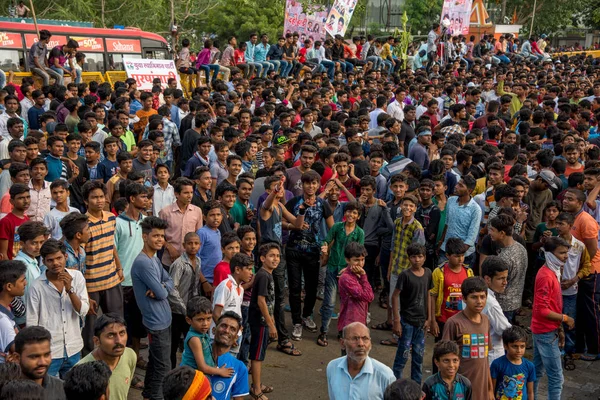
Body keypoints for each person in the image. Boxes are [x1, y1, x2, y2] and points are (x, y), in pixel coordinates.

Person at [26, 239, 89, 378]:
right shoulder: (37, 287)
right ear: (44, 261)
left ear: (65, 257)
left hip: (74, 347)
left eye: (59, 258)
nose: (55, 263)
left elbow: (83, 310)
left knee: (74, 389)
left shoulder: (77, 277)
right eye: (50, 260)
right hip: (50, 352)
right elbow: (32, 324)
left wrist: (70, 290)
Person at [131, 216, 173, 400]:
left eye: (162, 236)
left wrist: (162, 287)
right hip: (156, 323)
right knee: (163, 366)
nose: (159, 240)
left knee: (157, 365)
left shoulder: (154, 259)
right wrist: (163, 289)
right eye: (155, 236)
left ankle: (148, 394)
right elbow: (164, 293)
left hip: (164, 319)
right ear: (145, 236)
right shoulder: (143, 262)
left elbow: (169, 281)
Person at [82, 181, 124, 354]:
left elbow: (111, 245)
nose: (99, 201)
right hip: (91, 284)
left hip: (112, 280)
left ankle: (116, 355)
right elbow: (80, 257)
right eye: (94, 197)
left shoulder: (111, 218)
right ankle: (90, 360)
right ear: (86, 201)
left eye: (101, 196)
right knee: (90, 328)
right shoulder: (83, 224)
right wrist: (83, 289)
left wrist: (119, 266)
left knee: (116, 322)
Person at [531, 236, 572, 400]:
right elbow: (542, 310)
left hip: (546, 330)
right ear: (550, 254)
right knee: (556, 378)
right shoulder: (546, 276)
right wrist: (565, 318)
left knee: (536, 370)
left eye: (566, 252)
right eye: (561, 253)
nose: (566, 256)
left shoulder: (552, 272)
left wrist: (560, 327)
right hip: (545, 331)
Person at [319, 202, 364, 346]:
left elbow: (360, 254)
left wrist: (349, 268)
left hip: (348, 274)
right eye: (349, 212)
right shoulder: (337, 227)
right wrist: (325, 248)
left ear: (359, 216)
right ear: (345, 213)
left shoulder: (359, 233)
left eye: (355, 213)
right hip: (333, 268)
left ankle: (343, 332)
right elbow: (326, 240)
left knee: (346, 304)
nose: (351, 215)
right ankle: (323, 331)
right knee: (329, 302)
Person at [442, 277, 493, 400]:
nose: (479, 301)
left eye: (482, 297)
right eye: (474, 297)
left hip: (482, 389)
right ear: (464, 298)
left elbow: (485, 360)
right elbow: (444, 359)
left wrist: (490, 389)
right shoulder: (454, 323)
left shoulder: (485, 320)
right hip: (460, 389)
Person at [429, 238, 473, 372]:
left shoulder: (468, 272)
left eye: (462, 256)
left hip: (462, 321)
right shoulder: (439, 272)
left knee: (459, 353)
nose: (460, 259)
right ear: (447, 255)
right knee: (441, 352)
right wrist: (432, 321)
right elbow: (432, 295)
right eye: (457, 256)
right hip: (443, 320)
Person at [168, 232, 210, 368]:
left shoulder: (198, 261)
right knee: (172, 346)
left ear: (200, 245)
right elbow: (172, 289)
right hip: (177, 311)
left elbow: (196, 285)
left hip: (191, 312)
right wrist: (185, 309)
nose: (193, 246)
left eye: (196, 243)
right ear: (184, 245)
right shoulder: (179, 264)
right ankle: (172, 373)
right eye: (190, 243)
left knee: (192, 342)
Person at [391, 243, 432, 382]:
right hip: (407, 322)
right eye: (413, 257)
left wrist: (429, 319)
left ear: (425, 258)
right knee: (402, 356)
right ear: (409, 258)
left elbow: (428, 295)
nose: (417, 260)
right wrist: (396, 321)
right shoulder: (405, 275)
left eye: (420, 256)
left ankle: (416, 389)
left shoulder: (428, 273)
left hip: (421, 323)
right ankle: (396, 386)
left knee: (418, 358)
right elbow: (395, 296)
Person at [326, 322, 395, 400]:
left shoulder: (385, 375)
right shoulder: (333, 367)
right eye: (354, 338)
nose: (361, 344)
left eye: (365, 338)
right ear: (342, 343)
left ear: (370, 343)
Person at [76, 313, 136, 400]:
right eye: (111, 335)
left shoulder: (130, 355)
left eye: (122, 333)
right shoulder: (81, 371)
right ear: (97, 341)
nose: (119, 341)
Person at [248, 243, 280, 399]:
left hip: (263, 320)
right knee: (257, 356)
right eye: (272, 255)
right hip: (259, 322)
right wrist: (270, 324)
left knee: (259, 354)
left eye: (278, 256)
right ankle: (256, 390)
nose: (276, 259)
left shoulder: (267, 274)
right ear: (262, 258)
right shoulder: (263, 275)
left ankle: (257, 384)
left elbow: (268, 301)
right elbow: (261, 301)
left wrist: (271, 317)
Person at [14, 326, 66, 399]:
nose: (42, 362)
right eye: (34, 357)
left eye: (46, 355)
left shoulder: (62, 389)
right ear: (17, 358)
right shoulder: (5, 392)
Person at [480, 256, 512, 363]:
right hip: (492, 356)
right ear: (487, 279)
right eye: (500, 279)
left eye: (506, 278)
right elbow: (506, 330)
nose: (505, 282)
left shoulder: (473, 293)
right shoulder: (490, 303)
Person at [490, 326, 535, 400]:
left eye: (522, 346)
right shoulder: (497, 364)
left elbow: (530, 392)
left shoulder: (529, 366)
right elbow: (491, 390)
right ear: (505, 346)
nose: (519, 350)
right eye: (515, 346)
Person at [0, 260, 26, 361]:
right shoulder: (3, 320)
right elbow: (19, 352)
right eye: (22, 280)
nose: (25, 283)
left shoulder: (6, 309)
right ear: (9, 286)